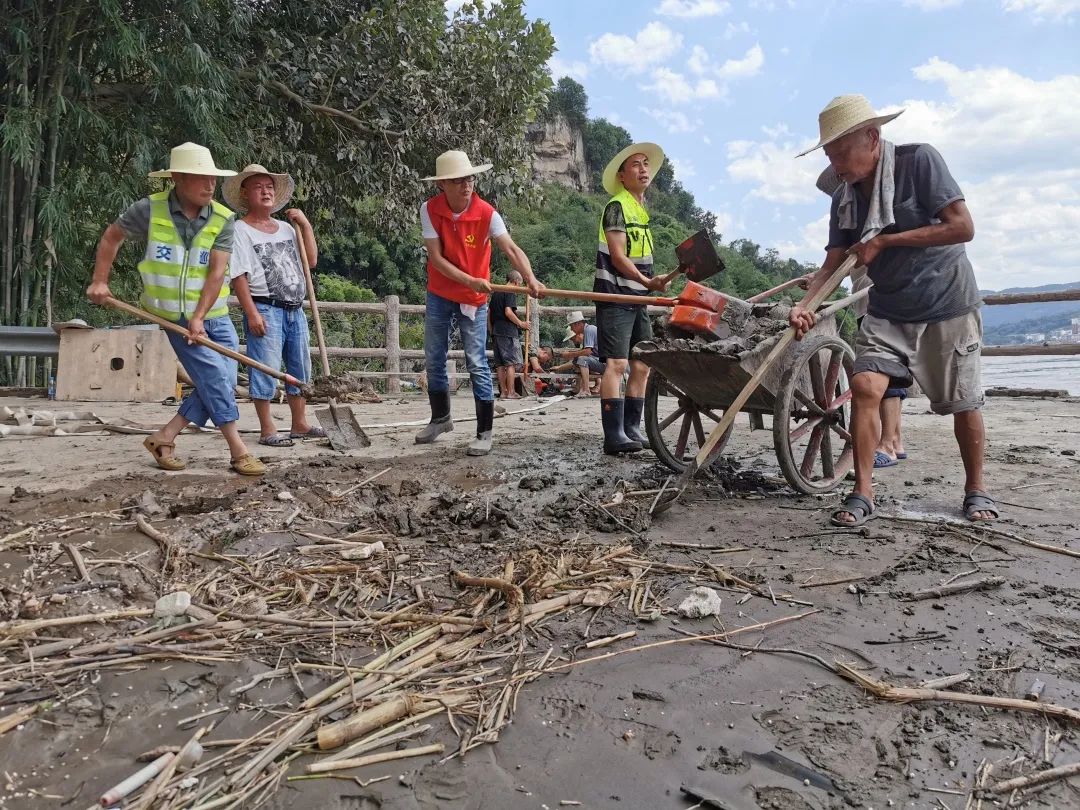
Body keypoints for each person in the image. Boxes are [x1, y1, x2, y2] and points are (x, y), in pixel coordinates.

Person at [791, 94, 996, 525]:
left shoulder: (919, 161)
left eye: (842, 152)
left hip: (946, 302)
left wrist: (885, 240)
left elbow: (962, 227)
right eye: (830, 155)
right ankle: (862, 493)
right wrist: (805, 306)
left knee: (963, 402)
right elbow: (834, 260)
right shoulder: (844, 196)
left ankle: (976, 490)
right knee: (865, 385)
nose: (837, 165)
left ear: (872, 137)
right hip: (887, 307)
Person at [86, 142, 265, 475]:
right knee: (213, 376)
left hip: (214, 314)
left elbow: (216, 272)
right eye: (201, 178)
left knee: (224, 380)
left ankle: (165, 436)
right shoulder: (148, 210)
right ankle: (238, 450)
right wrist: (100, 280)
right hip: (171, 313)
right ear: (179, 178)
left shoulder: (224, 218)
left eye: (213, 178)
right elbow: (111, 237)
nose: (210, 185)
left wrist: (199, 317)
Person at [415, 150, 543, 455]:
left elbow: (511, 249)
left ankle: (484, 432)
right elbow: (436, 258)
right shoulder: (429, 210)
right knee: (434, 356)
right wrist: (469, 279)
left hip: (473, 298)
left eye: (470, 178)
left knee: (476, 361)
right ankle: (441, 418)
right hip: (441, 293)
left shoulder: (487, 213)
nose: (466, 185)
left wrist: (531, 278)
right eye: (458, 180)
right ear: (442, 184)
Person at [222, 163, 326, 447]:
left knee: (299, 368)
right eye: (258, 187)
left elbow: (311, 262)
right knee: (265, 368)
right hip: (265, 307)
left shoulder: (286, 228)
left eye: (269, 187)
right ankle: (267, 429)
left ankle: (299, 424)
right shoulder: (240, 230)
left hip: (295, 308)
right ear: (245, 194)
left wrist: (305, 224)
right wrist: (251, 312)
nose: (266, 192)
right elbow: (239, 276)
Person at [817, 166, 908, 468]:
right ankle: (895, 439)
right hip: (864, 298)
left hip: (881, 296)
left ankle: (890, 443)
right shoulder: (848, 217)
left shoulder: (876, 213)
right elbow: (836, 263)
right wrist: (817, 279)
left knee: (886, 373)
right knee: (887, 372)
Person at [594, 142, 670, 454]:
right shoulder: (617, 206)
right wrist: (646, 281)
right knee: (617, 363)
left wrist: (649, 285)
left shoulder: (641, 210)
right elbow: (617, 256)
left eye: (645, 164)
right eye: (635, 165)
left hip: (638, 299)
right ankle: (613, 437)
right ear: (622, 176)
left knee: (641, 364)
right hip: (615, 294)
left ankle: (632, 428)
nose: (643, 169)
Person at [489, 270, 528, 399]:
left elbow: (489, 313)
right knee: (510, 363)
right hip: (507, 331)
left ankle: (503, 392)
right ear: (516, 282)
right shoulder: (510, 291)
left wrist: (491, 329)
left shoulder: (496, 292)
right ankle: (511, 392)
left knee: (500, 364)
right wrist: (521, 324)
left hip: (496, 330)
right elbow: (508, 312)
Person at [557, 311, 604, 396]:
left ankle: (586, 390)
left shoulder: (589, 329)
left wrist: (569, 355)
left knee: (582, 359)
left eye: (571, 326)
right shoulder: (587, 331)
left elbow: (587, 352)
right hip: (601, 361)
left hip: (606, 363)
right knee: (577, 360)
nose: (571, 329)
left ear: (577, 324)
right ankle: (582, 388)